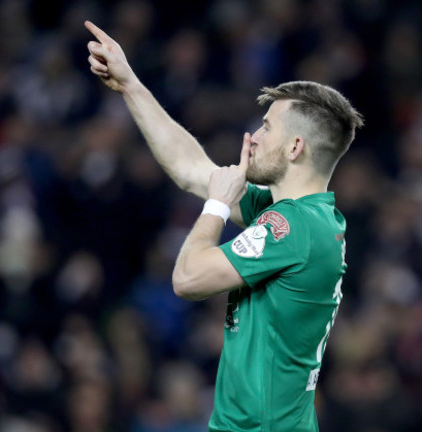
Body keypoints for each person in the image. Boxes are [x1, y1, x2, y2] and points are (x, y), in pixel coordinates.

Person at [85, 20, 364, 432]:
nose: (254, 136)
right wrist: (131, 86)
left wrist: (217, 206)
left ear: (295, 147)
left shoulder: (293, 228)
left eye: (267, 126)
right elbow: (191, 169)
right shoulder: (303, 215)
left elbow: (187, 277)